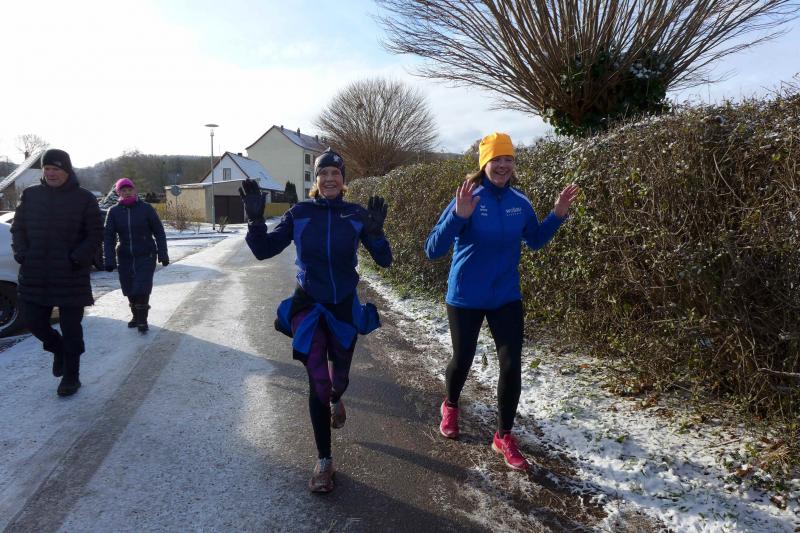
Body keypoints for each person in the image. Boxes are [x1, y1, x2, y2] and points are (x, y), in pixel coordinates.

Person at [239, 148, 392, 493]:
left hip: (343, 306)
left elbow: (385, 260)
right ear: (316, 179)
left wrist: (377, 233)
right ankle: (324, 460)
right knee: (318, 382)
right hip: (308, 305)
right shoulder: (300, 213)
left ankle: (338, 398)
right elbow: (264, 250)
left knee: (339, 381)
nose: (329, 179)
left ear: (343, 179)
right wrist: (254, 221)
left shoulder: (356, 214)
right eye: (324, 173)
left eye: (336, 173)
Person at [425, 132, 579, 471]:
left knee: (511, 365)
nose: (503, 165)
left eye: (508, 159)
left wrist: (557, 214)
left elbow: (534, 240)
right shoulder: (468, 197)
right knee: (462, 359)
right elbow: (433, 249)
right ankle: (450, 405)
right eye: (496, 159)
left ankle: (504, 435)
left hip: (505, 296)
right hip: (465, 296)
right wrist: (458, 216)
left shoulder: (519, 202)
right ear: (484, 163)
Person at [10, 148, 103, 396]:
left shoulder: (84, 198)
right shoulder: (30, 195)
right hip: (35, 271)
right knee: (33, 321)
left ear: (67, 170)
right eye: (47, 169)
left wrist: (77, 257)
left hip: (70, 274)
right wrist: (21, 252)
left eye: (56, 169)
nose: (51, 173)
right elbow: (18, 228)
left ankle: (71, 376)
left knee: (71, 329)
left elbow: (95, 234)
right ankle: (57, 348)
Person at [103, 178, 169, 333]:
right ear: (118, 193)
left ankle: (142, 320)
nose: (127, 193)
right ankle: (135, 315)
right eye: (123, 191)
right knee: (129, 288)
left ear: (135, 190)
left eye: (129, 190)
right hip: (125, 256)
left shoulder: (146, 209)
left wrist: (163, 253)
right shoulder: (114, 212)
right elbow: (108, 237)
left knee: (142, 286)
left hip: (146, 254)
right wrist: (109, 259)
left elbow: (159, 232)